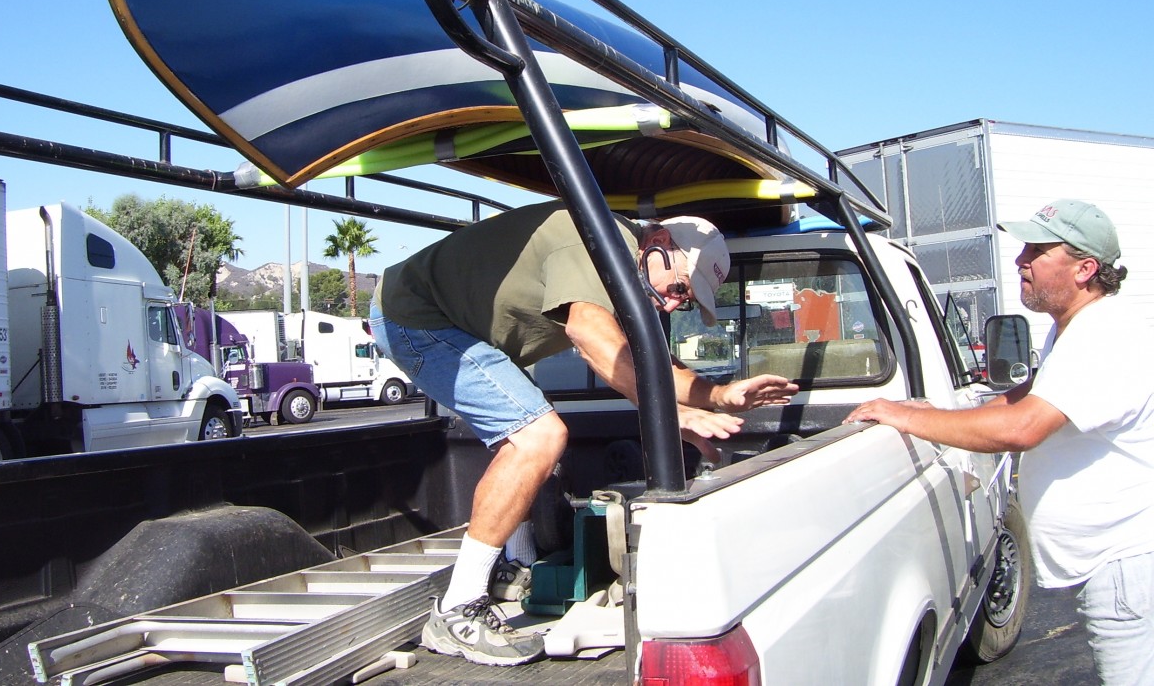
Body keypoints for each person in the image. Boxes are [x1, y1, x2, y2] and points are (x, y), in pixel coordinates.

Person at [370, 201, 797, 666]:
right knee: (538, 436)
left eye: (686, 301)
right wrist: (694, 405)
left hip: (471, 334)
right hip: (415, 315)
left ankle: (515, 566)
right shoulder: (600, 238)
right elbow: (594, 339)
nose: (675, 303)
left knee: (539, 443)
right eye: (678, 287)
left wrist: (705, 405)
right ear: (656, 244)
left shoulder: (627, 276)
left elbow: (642, 364)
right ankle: (458, 609)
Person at [845, 199, 1154, 685]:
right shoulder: (1074, 331)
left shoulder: (1105, 335)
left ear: (1085, 268)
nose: (1019, 261)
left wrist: (901, 415)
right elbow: (1019, 401)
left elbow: (1021, 427)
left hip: (1124, 567)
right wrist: (939, 414)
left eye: (1036, 250)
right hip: (1113, 565)